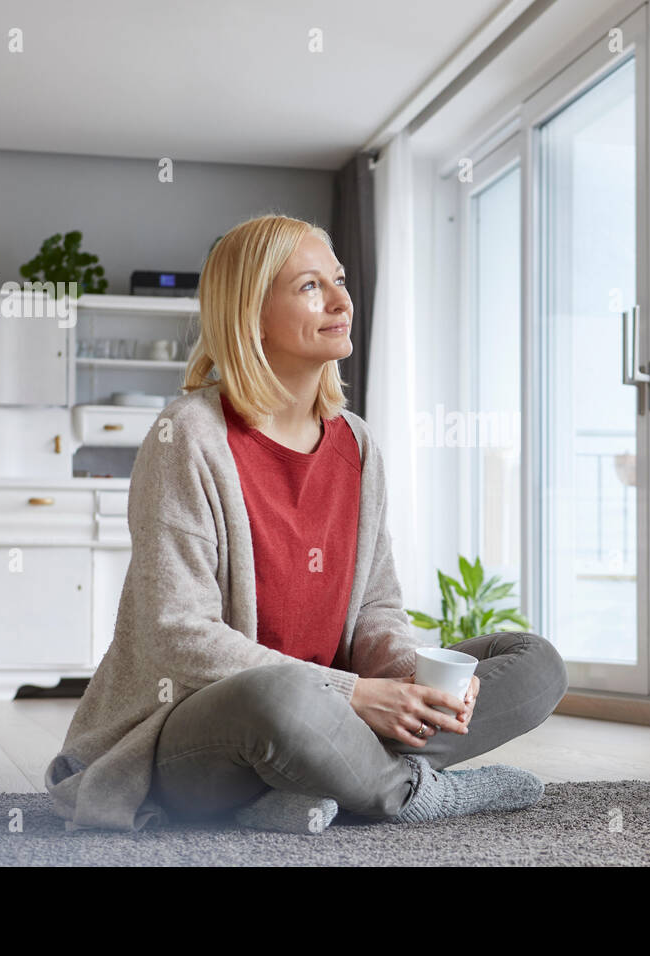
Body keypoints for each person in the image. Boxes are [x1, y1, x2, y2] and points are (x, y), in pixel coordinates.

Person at [43, 213, 568, 835]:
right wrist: (350, 696)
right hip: (197, 731)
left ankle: (309, 787)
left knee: (535, 663)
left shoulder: (358, 445)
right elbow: (177, 634)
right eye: (311, 286)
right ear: (251, 314)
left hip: (328, 716)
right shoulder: (187, 435)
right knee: (281, 698)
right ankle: (407, 791)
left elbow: (377, 605)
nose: (342, 300)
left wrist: (409, 679)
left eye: (339, 280)